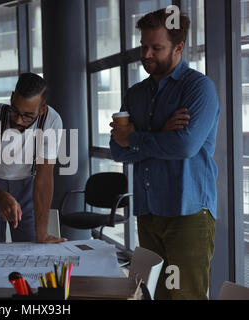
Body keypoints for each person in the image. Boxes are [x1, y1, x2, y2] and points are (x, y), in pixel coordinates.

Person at [109, 9, 219, 300]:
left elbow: (184, 147)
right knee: (153, 294)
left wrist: (136, 138)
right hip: (147, 212)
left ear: (178, 47)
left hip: (188, 214)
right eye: (143, 46)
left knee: (186, 296)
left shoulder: (198, 88)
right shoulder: (135, 94)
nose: (146, 54)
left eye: (156, 48)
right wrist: (161, 135)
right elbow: (118, 150)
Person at [0, 73, 66, 243]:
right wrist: (0, 195)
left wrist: (42, 234)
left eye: (28, 116)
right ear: (12, 97)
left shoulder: (51, 121)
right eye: (15, 111)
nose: (19, 121)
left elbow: (44, 176)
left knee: (30, 250)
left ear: (42, 109)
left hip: (28, 188)